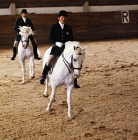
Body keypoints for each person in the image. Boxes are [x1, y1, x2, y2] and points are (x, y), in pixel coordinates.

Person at [39, 10, 80, 88]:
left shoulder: (68, 27)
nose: (63, 19)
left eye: (64, 17)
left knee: (72, 62)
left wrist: (67, 44)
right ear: (59, 18)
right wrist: (56, 43)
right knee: (49, 60)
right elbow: (50, 37)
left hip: (66, 48)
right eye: (62, 17)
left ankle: (74, 81)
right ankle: (43, 76)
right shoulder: (53, 26)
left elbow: (71, 39)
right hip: (56, 48)